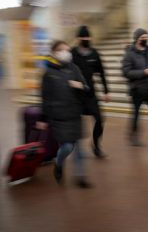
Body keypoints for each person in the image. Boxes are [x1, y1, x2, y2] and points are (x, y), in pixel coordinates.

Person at [37, 40, 91, 188]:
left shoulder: (74, 68)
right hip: (58, 116)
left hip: (74, 113)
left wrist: (80, 86)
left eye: (68, 50)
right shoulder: (48, 73)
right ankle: (58, 162)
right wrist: (43, 118)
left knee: (79, 148)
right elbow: (44, 97)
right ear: (54, 53)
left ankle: (81, 178)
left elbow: (86, 88)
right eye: (62, 50)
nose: (66, 53)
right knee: (67, 147)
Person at [71, 25, 109, 158]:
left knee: (99, 119)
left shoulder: (94, 53)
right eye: (83, 37)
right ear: (78, 38)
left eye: (88, 37)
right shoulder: (72, 53)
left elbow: (102, 72)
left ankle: (96, 146)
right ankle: (74, 150)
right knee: (75, 125)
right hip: (75, 96)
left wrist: (106, 91)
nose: (86, 39)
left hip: (90, 94)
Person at [122, 28, 148, 146]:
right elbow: (126, 72)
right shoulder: (129, 54)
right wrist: (143, 72)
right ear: (137, 39)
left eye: (146, 37)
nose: (145, 40)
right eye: (143, 38)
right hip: (137, 90)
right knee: (136, 115)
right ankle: (133, 136)